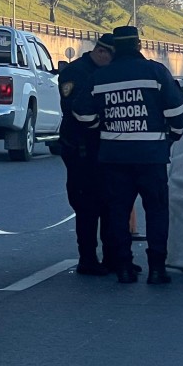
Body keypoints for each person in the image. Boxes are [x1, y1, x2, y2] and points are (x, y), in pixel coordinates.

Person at [72, 25, 183, 284]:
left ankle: (123, 267)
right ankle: (157, 269)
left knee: (117, 212)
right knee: (156, 212)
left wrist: (99, 127)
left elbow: (81, 112)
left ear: (115, 49)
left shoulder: (101, 77)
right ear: (138, 45)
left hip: (114, 156)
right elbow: (178, 111)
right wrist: (172, 137)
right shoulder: (156, 72)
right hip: (151, 156)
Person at [58, 33, 114, 275]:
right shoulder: (75, 72)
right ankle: (88, 258)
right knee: (87, 205)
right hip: (80, 147)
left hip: (105, 148)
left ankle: (113, 257)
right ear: (101, 52)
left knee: (111, 205)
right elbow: (74, 109)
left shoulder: (107, 70)